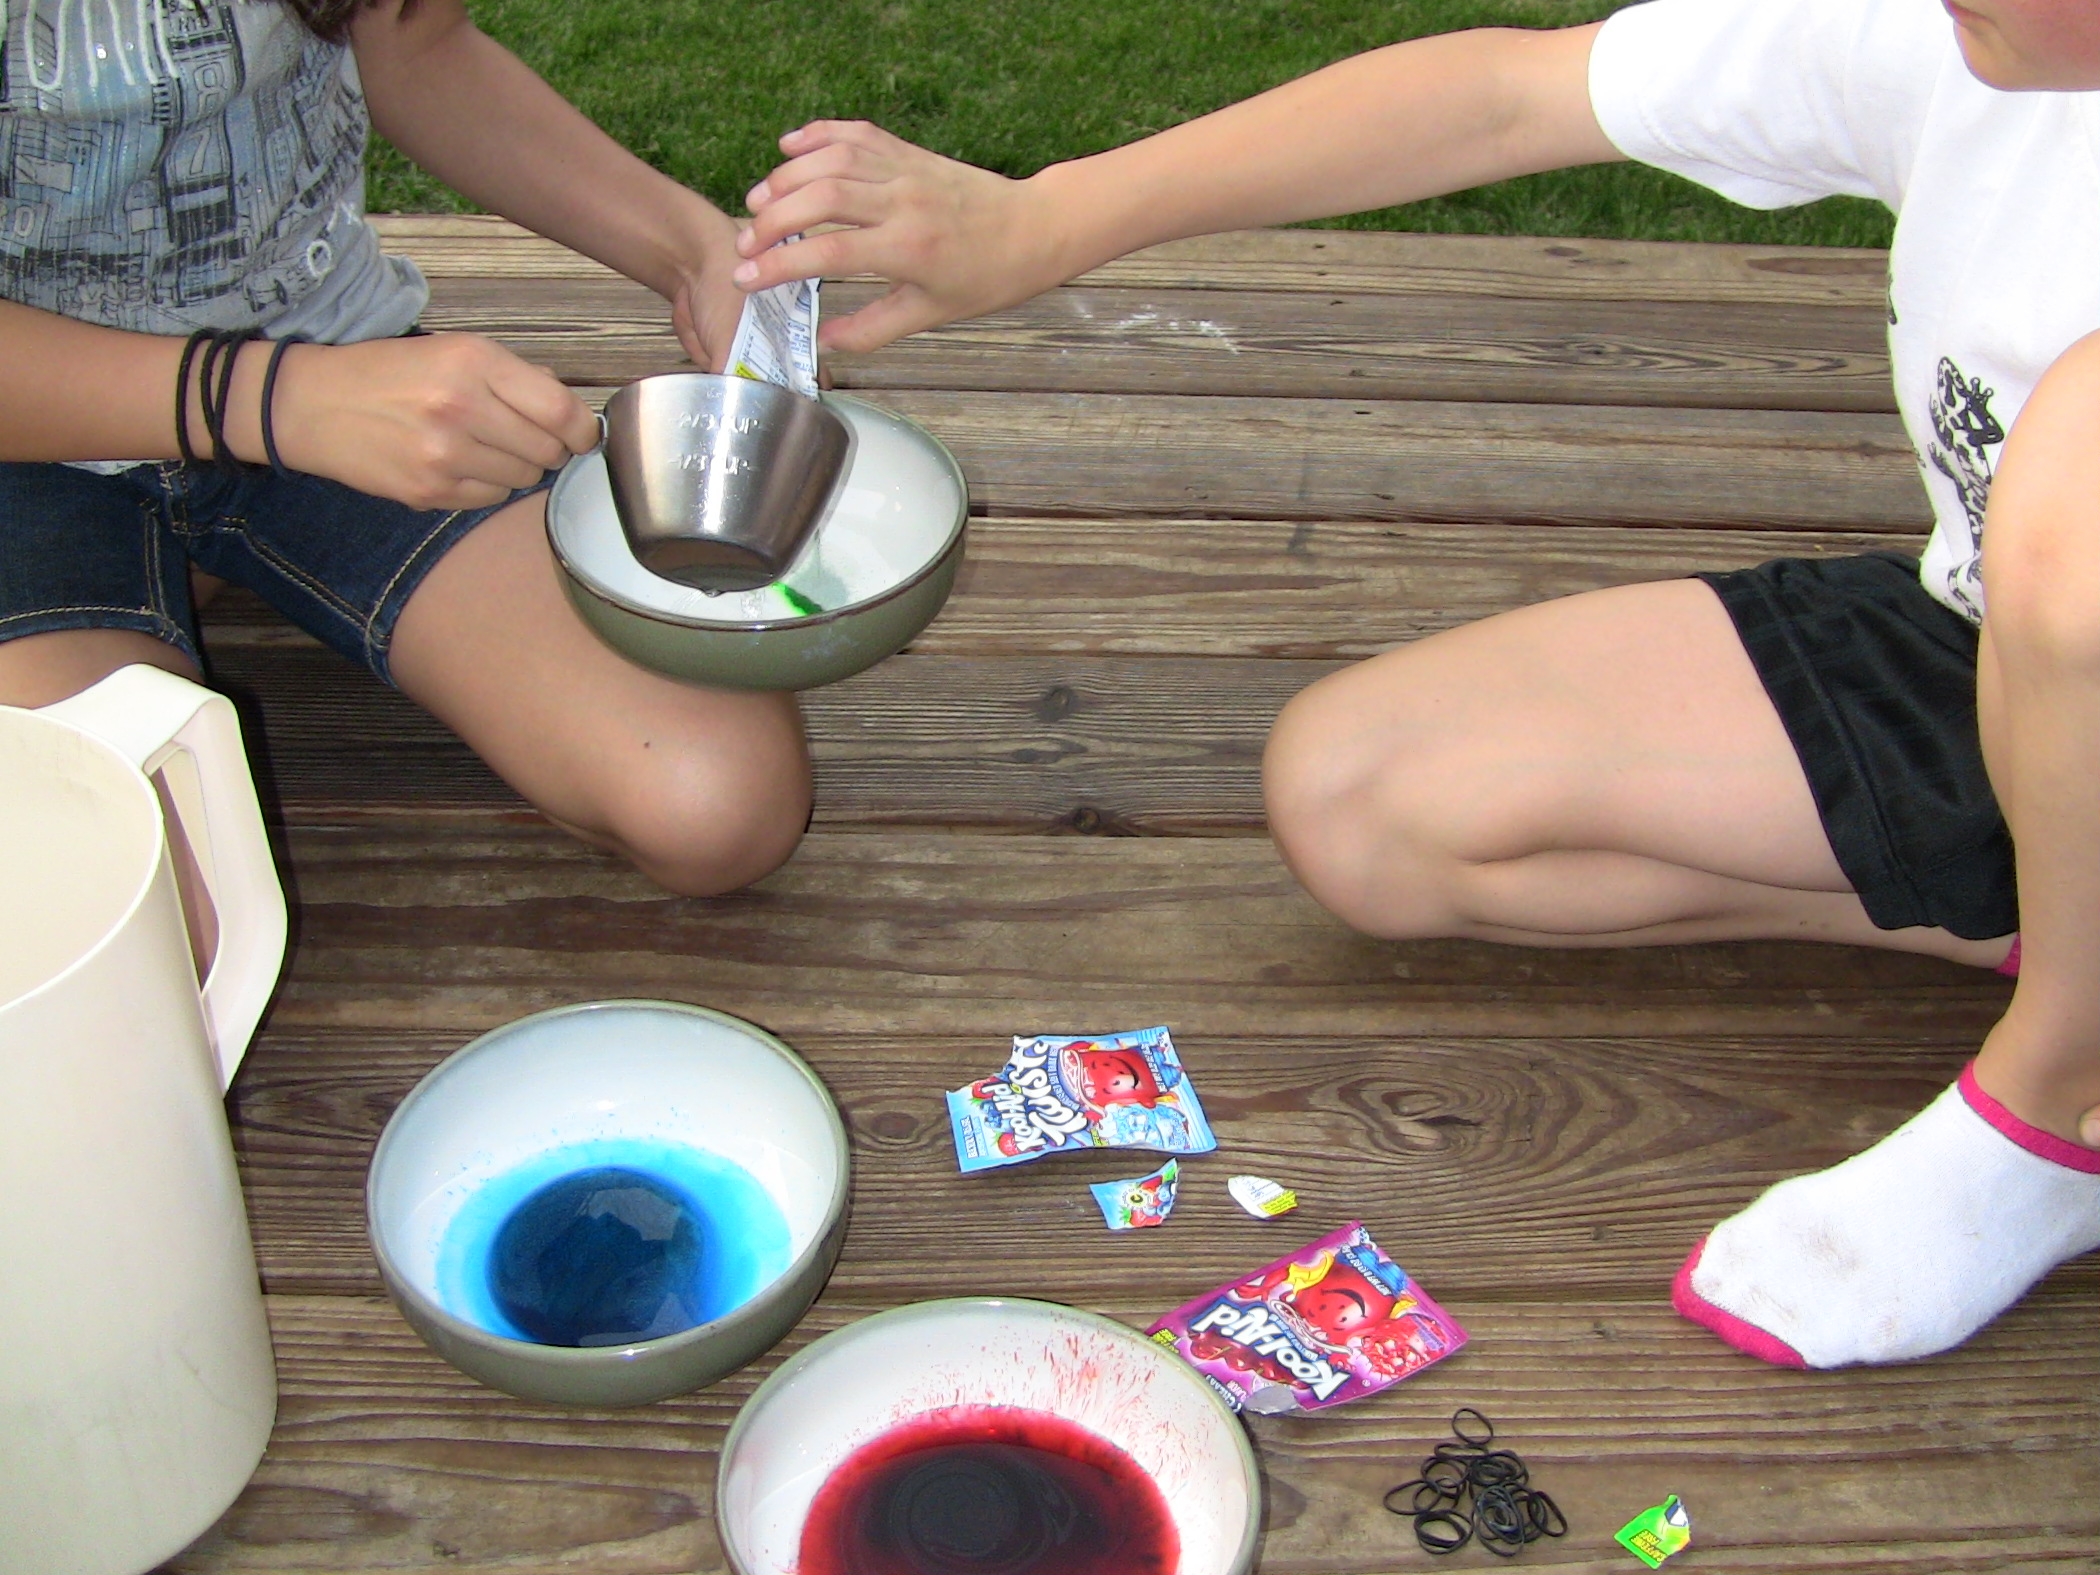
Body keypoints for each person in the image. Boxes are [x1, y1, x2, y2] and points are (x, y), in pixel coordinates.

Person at [730, 0, 2100, 1370]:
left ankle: (2059, 1097)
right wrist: (1043, 219)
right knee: (1361, 800)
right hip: (2003, 655)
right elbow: (1509, 94)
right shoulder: (1955, 40)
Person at [0, 0, 810, 897]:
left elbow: (414, 48)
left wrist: (689, 249)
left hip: (329, 366)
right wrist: (277, 401)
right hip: (37, 446)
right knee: (124, 914)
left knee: (714, 797)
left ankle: (192, 563)